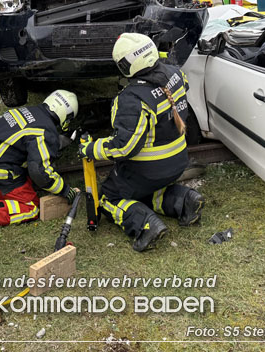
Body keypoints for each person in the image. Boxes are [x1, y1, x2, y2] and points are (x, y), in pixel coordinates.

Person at [78, 33, 203, 252]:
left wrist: (91, 148)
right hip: (178, 161)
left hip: (149, 170)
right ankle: (186, 202)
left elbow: (125, 147)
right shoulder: (175, 74)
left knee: (110, 197)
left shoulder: (131, 99)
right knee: (144, 193)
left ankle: (146, 226)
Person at [0, 90, 79, 231]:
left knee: (25, 178)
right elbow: (40, 172)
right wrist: (64, 190)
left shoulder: (27, 111)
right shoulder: (44, 132)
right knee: (31, 207)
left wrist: (55, 143)